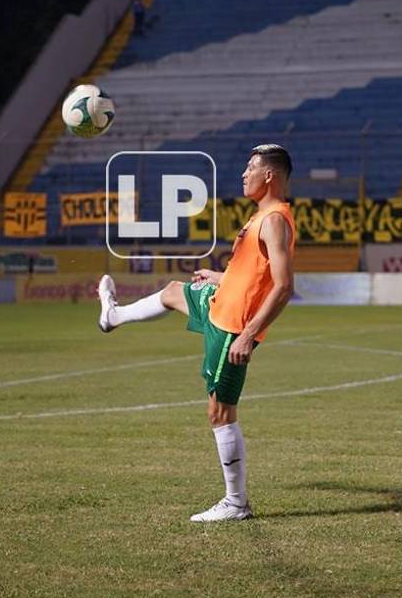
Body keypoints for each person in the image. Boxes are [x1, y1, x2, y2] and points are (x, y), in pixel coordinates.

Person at [96, 144, 296, 522]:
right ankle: (112, 316)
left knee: (220, 411)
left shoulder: (274, 221)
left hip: (233, 327)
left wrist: (247, 334)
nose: (244, 174)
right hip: (220, 303)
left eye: (250, 167)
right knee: (174, 291)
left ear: (269, 175)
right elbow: (254, 273)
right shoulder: (262, 217)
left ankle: (236, 503)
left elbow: (283, 286)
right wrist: (219, 277)